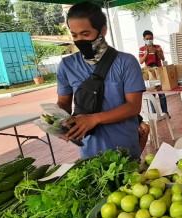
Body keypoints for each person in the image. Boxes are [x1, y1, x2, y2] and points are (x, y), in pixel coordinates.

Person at [56, 1, 146, 159]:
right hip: (90, 152)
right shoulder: (67, 65)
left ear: (103, 30)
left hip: (125, 149)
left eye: (85, 34)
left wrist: (93, 119)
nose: (80, 40)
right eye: (75, 35)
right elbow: (63, 103)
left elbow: (133, 107)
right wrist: (58, 122)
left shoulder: (126, 62)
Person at [139, 30, 169, 117]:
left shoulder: (158, 47)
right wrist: (146, 54)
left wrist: (157, 52)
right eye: (147, 39)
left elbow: (163, 58)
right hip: (150, 73)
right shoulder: (142, 49)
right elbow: (141, 61)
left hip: (159, 71)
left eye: (151, 38)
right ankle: (154, 114)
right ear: (144, 39)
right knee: (152, 94)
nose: (149, 40)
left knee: (162, 93)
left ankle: (165, 112)